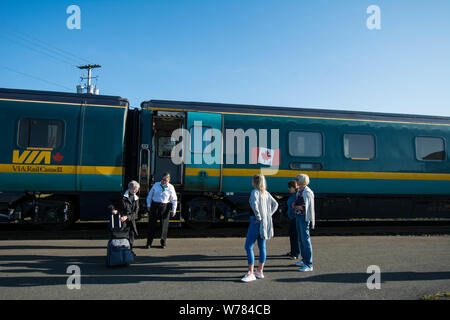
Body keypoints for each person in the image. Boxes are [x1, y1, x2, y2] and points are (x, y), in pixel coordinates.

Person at [241, 174, 279, 282]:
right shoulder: (266, 193)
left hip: (256, 221)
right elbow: (275, 204)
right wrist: (268, 215)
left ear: (255, 182)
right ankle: (260, 271)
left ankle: (250, 272)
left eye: (252, 180)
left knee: (248, 246)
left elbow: (255, 205)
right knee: (262, 247)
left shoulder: (254, 192)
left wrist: (259, 217)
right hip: (264, 223)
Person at [146, 172, 177, 249]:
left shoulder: (171, 187)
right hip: (154, 206)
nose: (164, 181)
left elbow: (174, 199)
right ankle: (149, 243)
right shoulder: (156, 185)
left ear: (169, 180)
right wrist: (148, 205)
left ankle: (163, 242)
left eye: (165, 180)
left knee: (164, 226)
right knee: (151, 225)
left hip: (165, 206)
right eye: (163, 179)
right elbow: (150, 196)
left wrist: (174, 210)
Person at [109, 180, 140, 256]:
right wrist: (113, 209)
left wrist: (127, 217)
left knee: (131, 236)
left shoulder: (136, 198)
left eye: (137, 189)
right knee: (122, 236)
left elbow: (135, 213)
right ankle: (120, 252)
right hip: (121, 220)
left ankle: (130, 251)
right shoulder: (121, 195)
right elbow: (111, 203)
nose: (136, 190)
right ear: (130, 188)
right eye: (135, 189)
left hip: (130, 220)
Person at [292, 174, 315, 272]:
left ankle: (309, 264)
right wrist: (295, 206)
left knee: (305, 240)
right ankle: (304, 259)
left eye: (297, 179)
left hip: (304, 218)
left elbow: (305, 207)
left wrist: (295, 206)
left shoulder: (307, 192)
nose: (296, 181)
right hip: (299, 216)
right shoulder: (300, 191)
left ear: (301, 181)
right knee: (301, 239)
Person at [286, 180, 300, 260]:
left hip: (295, 218)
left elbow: (297, 206)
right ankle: (293, 252)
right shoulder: (293, 195)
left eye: (290, 188)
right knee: (292, 235)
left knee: (295, 236)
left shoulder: (297, 195)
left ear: (293, 187)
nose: (289, 189)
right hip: (292, 218)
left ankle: (296, 253)